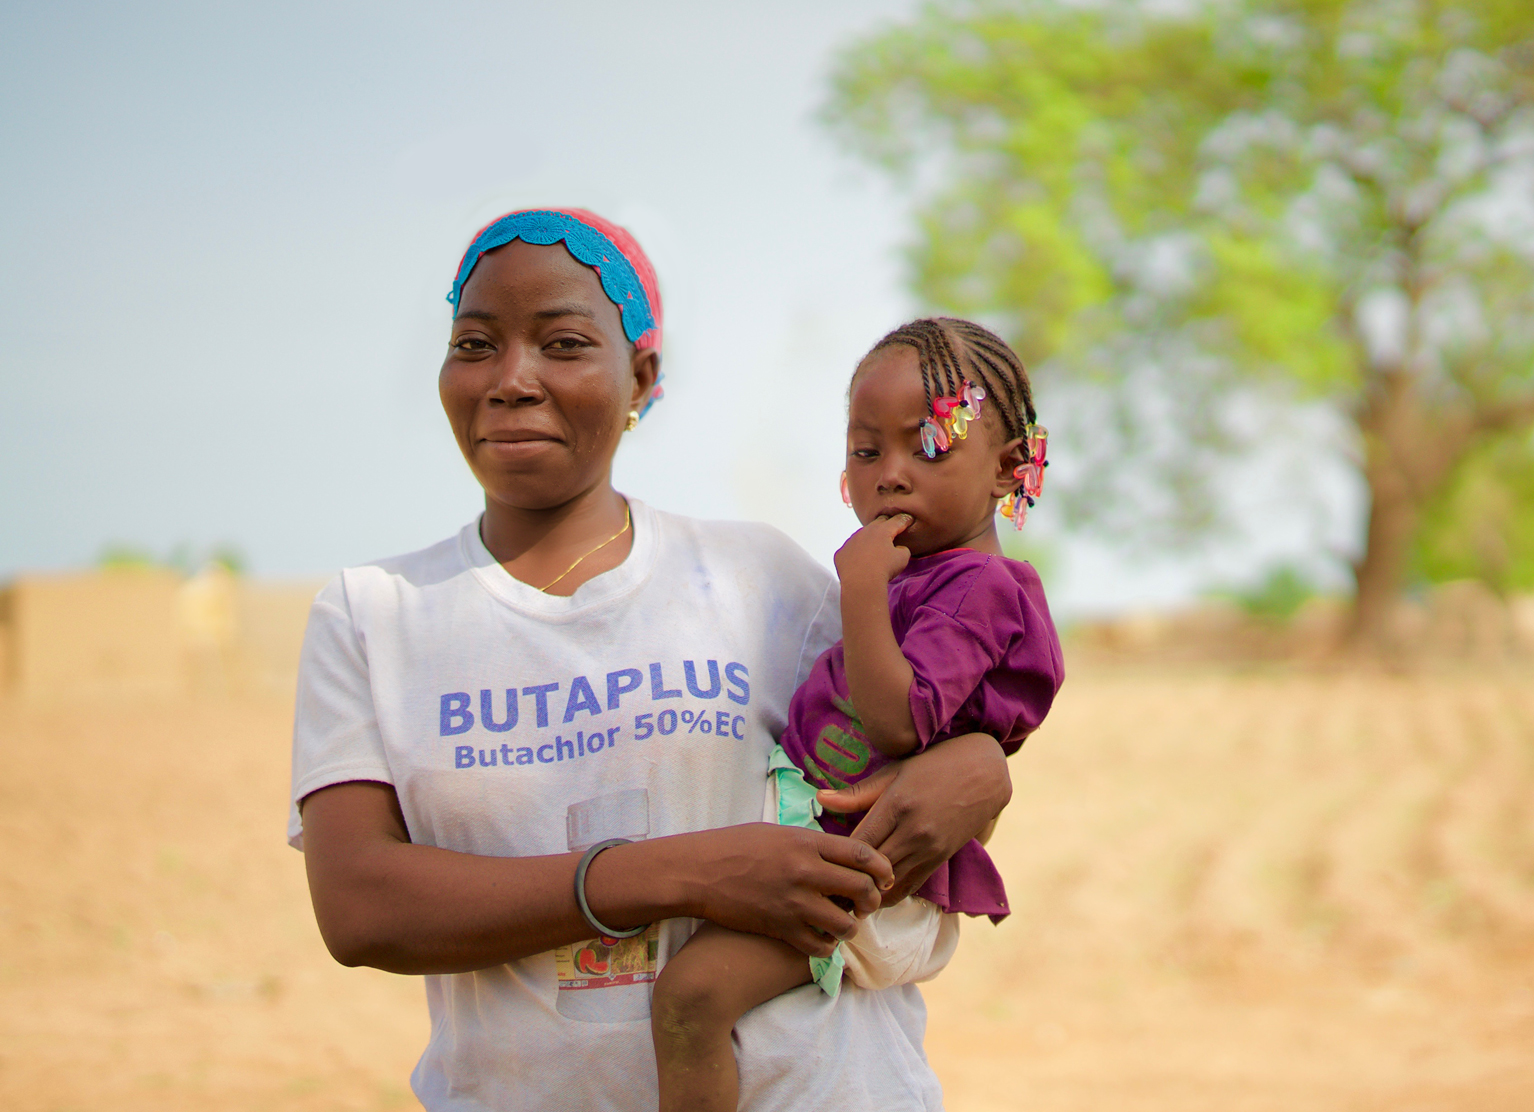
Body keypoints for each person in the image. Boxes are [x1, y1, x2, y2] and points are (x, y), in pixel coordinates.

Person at [288, 208, 1013, 1112]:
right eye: (475, 344)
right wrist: (680, 874)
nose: (513, 379)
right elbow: (361, 908)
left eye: (562, 343)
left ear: (641, 375)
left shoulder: (761, 578)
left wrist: (979, 770)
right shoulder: (374, 617)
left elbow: (926, 722)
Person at [651, 318, 1064, 1112]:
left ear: (1009, 467)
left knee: (691, 999)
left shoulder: (980, 588)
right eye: (867, 451)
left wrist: (862, 591)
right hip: (839, 861)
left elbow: (899, 723)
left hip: (874, 883)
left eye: (929, 445)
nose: (892, 475)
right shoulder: (922, 580)